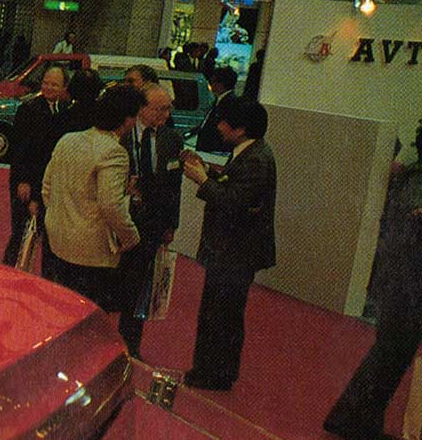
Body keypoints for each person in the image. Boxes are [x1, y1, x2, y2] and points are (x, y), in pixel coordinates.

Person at [323, 114, 422, 440]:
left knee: (395, 356)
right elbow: (417, 219)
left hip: (407, 282)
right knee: (388, 355)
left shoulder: (420, 177)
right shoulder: (420, 180)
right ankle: (351, 419)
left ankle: (365, 418)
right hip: (406, 283)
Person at [180, 99, 277, 391]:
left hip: (234, 251)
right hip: (233, 251)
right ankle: (213, 371)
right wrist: (207, 173)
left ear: (240, 128)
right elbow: (232, 186)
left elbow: (233, 201)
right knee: (222, 313)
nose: (219, 127)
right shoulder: (252, 153)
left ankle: (213, 373)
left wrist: (202, 180)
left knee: (221, 315)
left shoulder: (255, 159)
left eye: (223, 122)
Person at [41, 84, 144, 310]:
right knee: (87, 315)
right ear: (127, 119)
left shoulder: (68, 139)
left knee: (61, 310)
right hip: (91, 251)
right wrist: (130, 237)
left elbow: (47, 187)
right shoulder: (114, 152)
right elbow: (111, 205)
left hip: (58, 240)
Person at [117, 83, 184, 356]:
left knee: (139, 288)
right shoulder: (121, 134)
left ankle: (130, 346)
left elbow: (175, 186)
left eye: (168, 109)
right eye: (160, 109)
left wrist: (171, 224)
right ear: (142, 108)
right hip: (119, 220)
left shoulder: (172, 139)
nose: (165, 115)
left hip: (152, 223)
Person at [1, 65, 70, 266]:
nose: (49, 87)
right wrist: (23, 181)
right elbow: (19, 149)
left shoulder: (64, 110)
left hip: (48, 183)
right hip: (26, 182)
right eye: (46, 83)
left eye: (54, 84)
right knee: (20, 232)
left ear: (63, 87)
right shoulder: (28, 109)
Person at [194, 65, 239, 152]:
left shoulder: (229, 103)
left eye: (212, 82)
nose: (211, 85)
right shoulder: (220, 100)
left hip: (214, 149)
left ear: (220, 84)